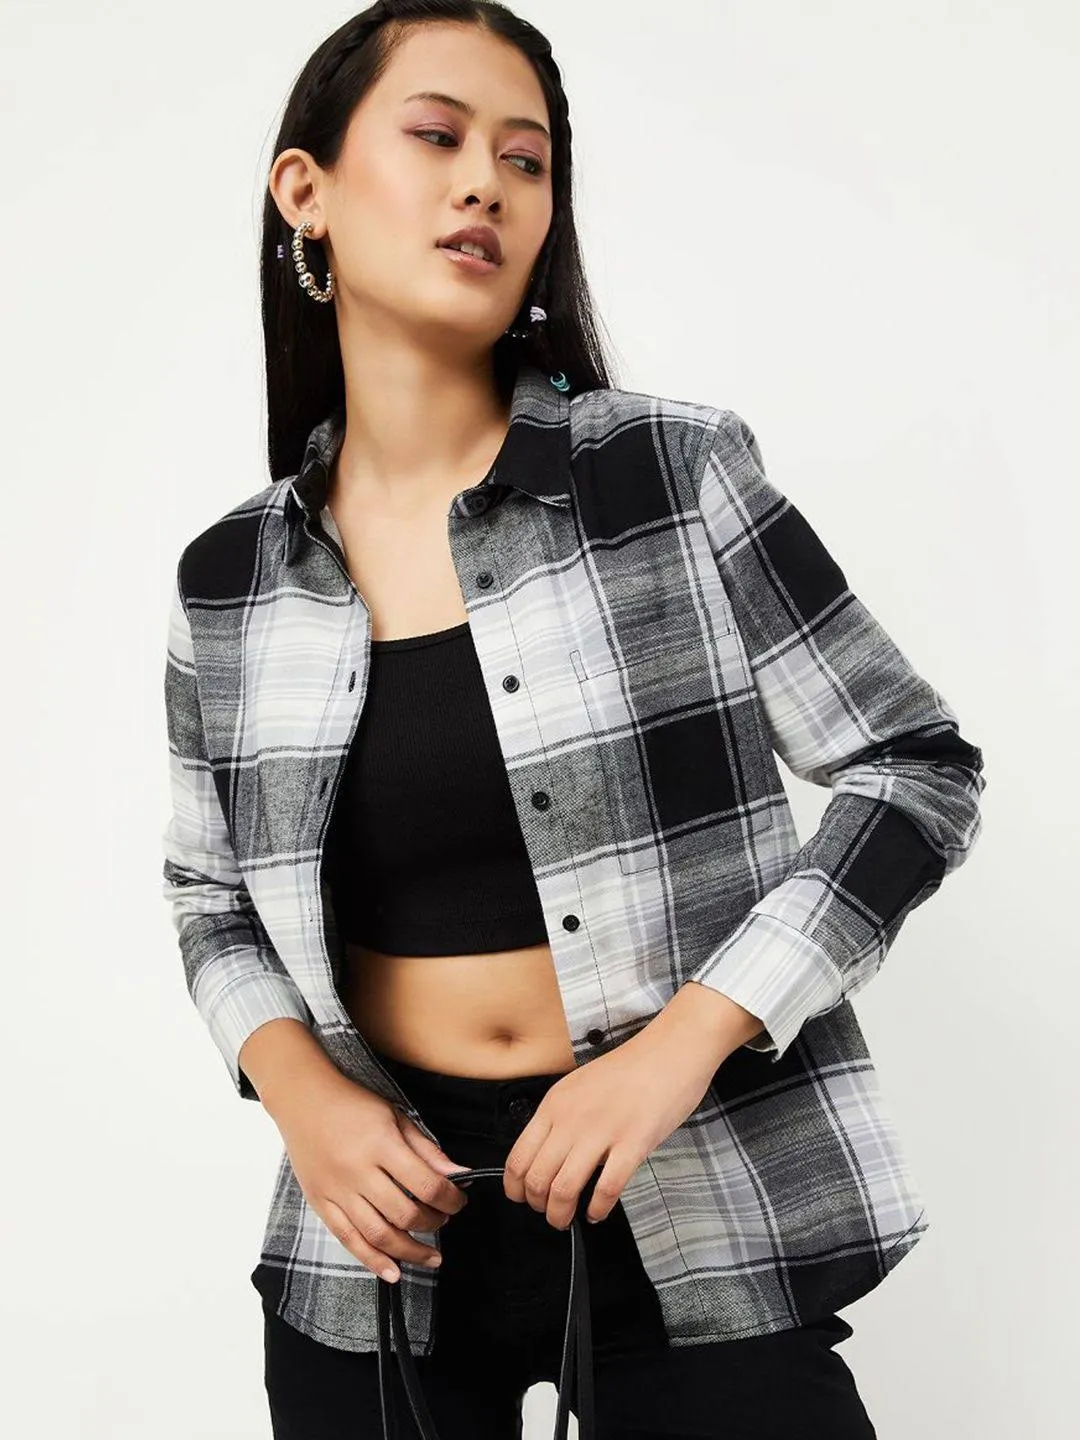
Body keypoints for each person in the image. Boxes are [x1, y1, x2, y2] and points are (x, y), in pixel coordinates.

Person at [160, 3, 987, 1436]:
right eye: (436, 136)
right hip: (380, 1234)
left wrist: (682, 1047)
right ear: (306, 192)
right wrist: (300, 1095)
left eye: (525, 159)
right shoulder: (232, 577)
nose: (485, 183)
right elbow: (207, 890)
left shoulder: (666, 474)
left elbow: (913, 771)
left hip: (692, 1187)